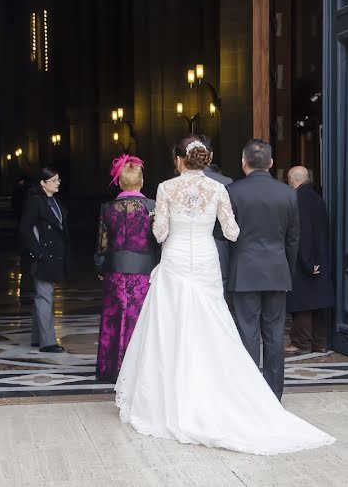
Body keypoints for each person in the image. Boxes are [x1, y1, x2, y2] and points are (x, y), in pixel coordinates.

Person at [116, 136, 334, 456]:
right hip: (205, 261)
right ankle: (244, 393)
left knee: (172, 328)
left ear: (179, 160)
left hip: (176, 261)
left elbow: (160, 233)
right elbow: (232, 232)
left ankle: (171, 395)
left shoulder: (165, 188)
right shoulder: (219, 189)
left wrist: (158, 222)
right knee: (212, 327)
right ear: (205, 159)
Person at [226, 139, 299, 400]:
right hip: (277, 271)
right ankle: (273, 394)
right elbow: (293, 239)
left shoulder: (233, 192)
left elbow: (224, 237)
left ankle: (250, 396)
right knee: (275, 334)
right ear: (270, 163)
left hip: (244, 272)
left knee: (247, 334)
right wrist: (286, 270)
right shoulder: (288, 194)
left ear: (244, 162)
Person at [94, 155, 159, 382]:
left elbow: (102, 245)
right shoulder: (152, 207)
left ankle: (112, 368)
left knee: (114, 318)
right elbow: (158, 240)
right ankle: (139, 369)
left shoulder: (107, 208)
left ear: (120, 183)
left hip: (114, 271)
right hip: (144, 271)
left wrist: (100, 268)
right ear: (141, 182)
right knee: (139, 319)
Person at [19, 166, 69, 353]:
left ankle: (37, 337)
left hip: (54, 256)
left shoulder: (53, 201)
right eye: (53, 181)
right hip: (43, 258)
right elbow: (25, 229)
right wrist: (38, 253)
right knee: (44, 296)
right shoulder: (35, 202)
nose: (57, 183)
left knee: (43, 295)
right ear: (42, 183)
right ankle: (48, 342)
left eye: (58, 180)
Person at [285, 166, 335, 354]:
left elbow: (302, 234)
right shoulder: (316, 197)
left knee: (303, 302)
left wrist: (307, 261)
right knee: (317, 301)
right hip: (320, 255)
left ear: (291, 179)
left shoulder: (298, 199)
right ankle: (320, 343)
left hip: (307, 258)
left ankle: (301, 343)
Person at [197, 135, 233, 290]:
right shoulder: (227, 183)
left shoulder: (175, 184)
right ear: (210, 155)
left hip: (187, 247)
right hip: (218, 245)